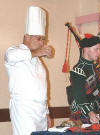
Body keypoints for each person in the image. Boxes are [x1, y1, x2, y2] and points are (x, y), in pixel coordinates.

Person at [4, 6, 52, 135]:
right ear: (27, 37)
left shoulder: (39, 63)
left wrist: (46, 112)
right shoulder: (13, 51)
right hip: (23, 110)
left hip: (41, 112)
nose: (42, 43)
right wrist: (37, 52)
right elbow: (10, 56)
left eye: (43, 39)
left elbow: (42, 88)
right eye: (39, 39)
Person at [66, 24, 100, 125]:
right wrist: (90, 113)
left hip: (96, 110)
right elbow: (79, 96)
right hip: (83, 114)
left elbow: (99, 88)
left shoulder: (95, 67)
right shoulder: (78, 70)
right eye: (96, 49)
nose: (99, 53)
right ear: (86, 49)